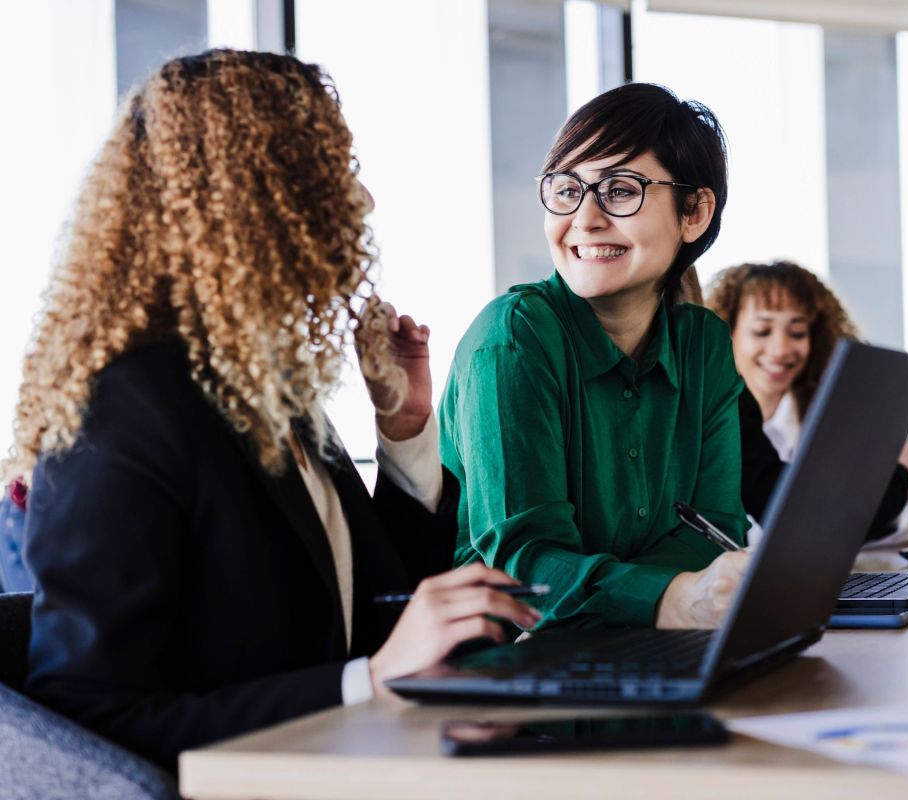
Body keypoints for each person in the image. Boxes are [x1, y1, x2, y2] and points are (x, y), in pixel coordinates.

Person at [4, 49, 539, 772]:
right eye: (334, 174)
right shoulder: (123, 413)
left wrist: (405, 432)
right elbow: (90, 720)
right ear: (259, 198)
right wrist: (370, 685)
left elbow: (370, 610)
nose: (363, 202)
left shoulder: (262, 388)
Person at [438, 83, 750, 633]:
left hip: (648, 650)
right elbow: (525, 569)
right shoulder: (513, 338)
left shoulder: (703, 345)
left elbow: (715, 530)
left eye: (620, 190)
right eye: (566, 190)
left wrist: (663, 596)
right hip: (514, 674)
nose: (584, 219)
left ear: (694, 212)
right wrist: (672, 597)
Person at [705, 260, 908, 537]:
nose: (780, 349)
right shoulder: (711, 421)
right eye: (762, 331)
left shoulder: (833, 421)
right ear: (727, 333)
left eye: (797, 333)